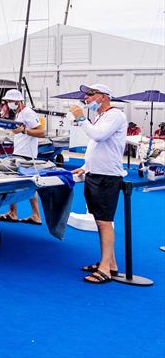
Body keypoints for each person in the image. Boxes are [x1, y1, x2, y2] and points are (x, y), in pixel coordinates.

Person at [69, 83, 127, 285]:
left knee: (104, 221)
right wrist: (86, 165)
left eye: (90, 94)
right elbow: (97, 146)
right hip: (95, 174)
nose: (86, 98)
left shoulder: (115, 115)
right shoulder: (101, 117)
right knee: (100, 220)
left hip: (107, 176)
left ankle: (105, 269)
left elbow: (98, 136)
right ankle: (109, 263)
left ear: (103, 96)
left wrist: (80, 118)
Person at [0, 89, 46, 225]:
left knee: (19, 183)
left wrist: (24, 130)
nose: (9, 103)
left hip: (26, 155)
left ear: (18, 101)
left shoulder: (28, 113)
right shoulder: (19, 113)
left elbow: (41, 132)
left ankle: (22, 213)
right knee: (25, 184)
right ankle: (26, 214)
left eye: (10, 101)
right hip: (20, 152)